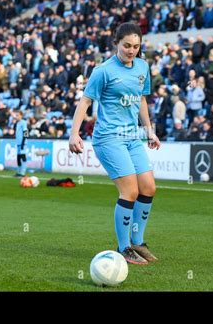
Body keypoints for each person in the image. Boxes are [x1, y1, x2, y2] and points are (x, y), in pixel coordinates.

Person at [68, 23, 161, 265]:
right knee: (129, 191)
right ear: (116, 44)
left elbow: (141, 99)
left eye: (136, 46)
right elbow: (85, 101)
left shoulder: (142, 66)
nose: (131, 51)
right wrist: (74, 133)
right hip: (108, 138)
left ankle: (138, 242)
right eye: (126, 46)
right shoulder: (103, 71)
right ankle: (123, 247)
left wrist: (149, 131)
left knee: (148, 187)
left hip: (132, 137)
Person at [14, 110, 28, 177]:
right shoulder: (17, 123)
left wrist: (23, 142)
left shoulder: (23, 122)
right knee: (18, 157)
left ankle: (23, 172)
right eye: (16, 115)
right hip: (18, 143)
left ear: (21, 116)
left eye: (18, 115)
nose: (16, 117)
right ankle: (19, 171)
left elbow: (25, 132)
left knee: (23, 156)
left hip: (23, 143)